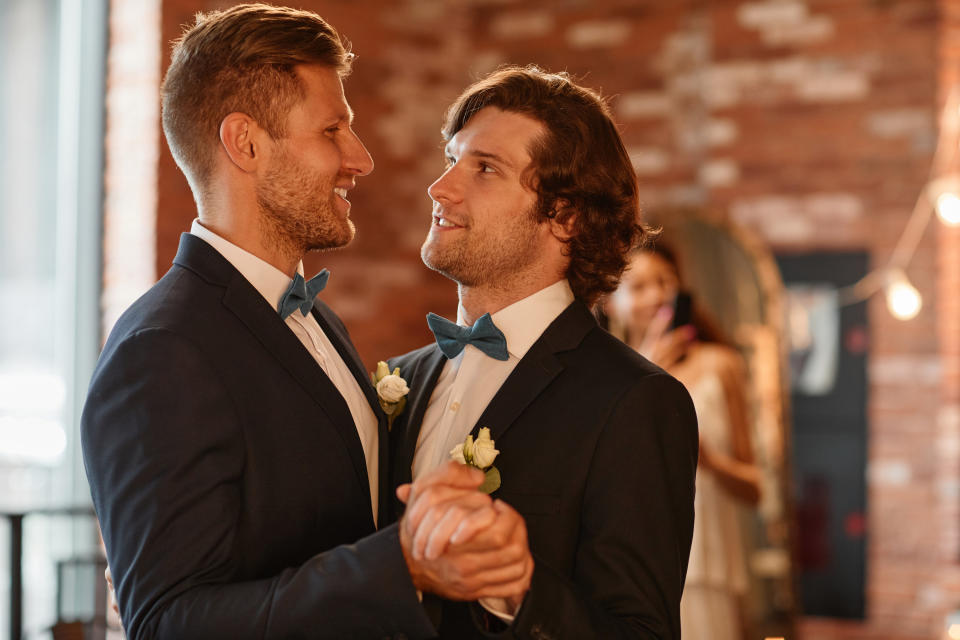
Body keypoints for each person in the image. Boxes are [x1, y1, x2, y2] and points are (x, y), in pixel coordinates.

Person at [81, 5, 529, 639]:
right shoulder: (163, 350)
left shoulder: (322, 323)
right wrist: (401, 567)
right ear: (246, 142)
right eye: (332, 130)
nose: (361, 157)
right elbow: (168, 623)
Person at [387, 66, 700, 639]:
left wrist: (516, 591)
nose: (442, 186)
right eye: (452, 159)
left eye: (484, 168)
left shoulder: (634, 401)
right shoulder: (400, 380)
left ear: (565, 215)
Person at [607, 245, 763, 640]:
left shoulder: (721, 365)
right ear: (610, 301)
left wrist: (709, 461)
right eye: (639, 286)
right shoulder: (604, 377)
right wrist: (646, 375)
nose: (657, 295)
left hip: (708, 563)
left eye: (665, 281)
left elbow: (756, 487)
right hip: (630, 563)